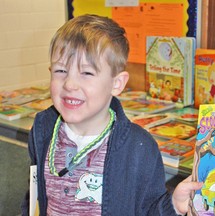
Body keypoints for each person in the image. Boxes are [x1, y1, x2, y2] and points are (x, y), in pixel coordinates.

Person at [21, 14, 202, 215]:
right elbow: (34, 194)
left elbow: (149, 209)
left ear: (116, 84)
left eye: (87, 73)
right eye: (61, 71)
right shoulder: (42, 130)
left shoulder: (139, 148)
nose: (69, 84)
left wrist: (174, 206)